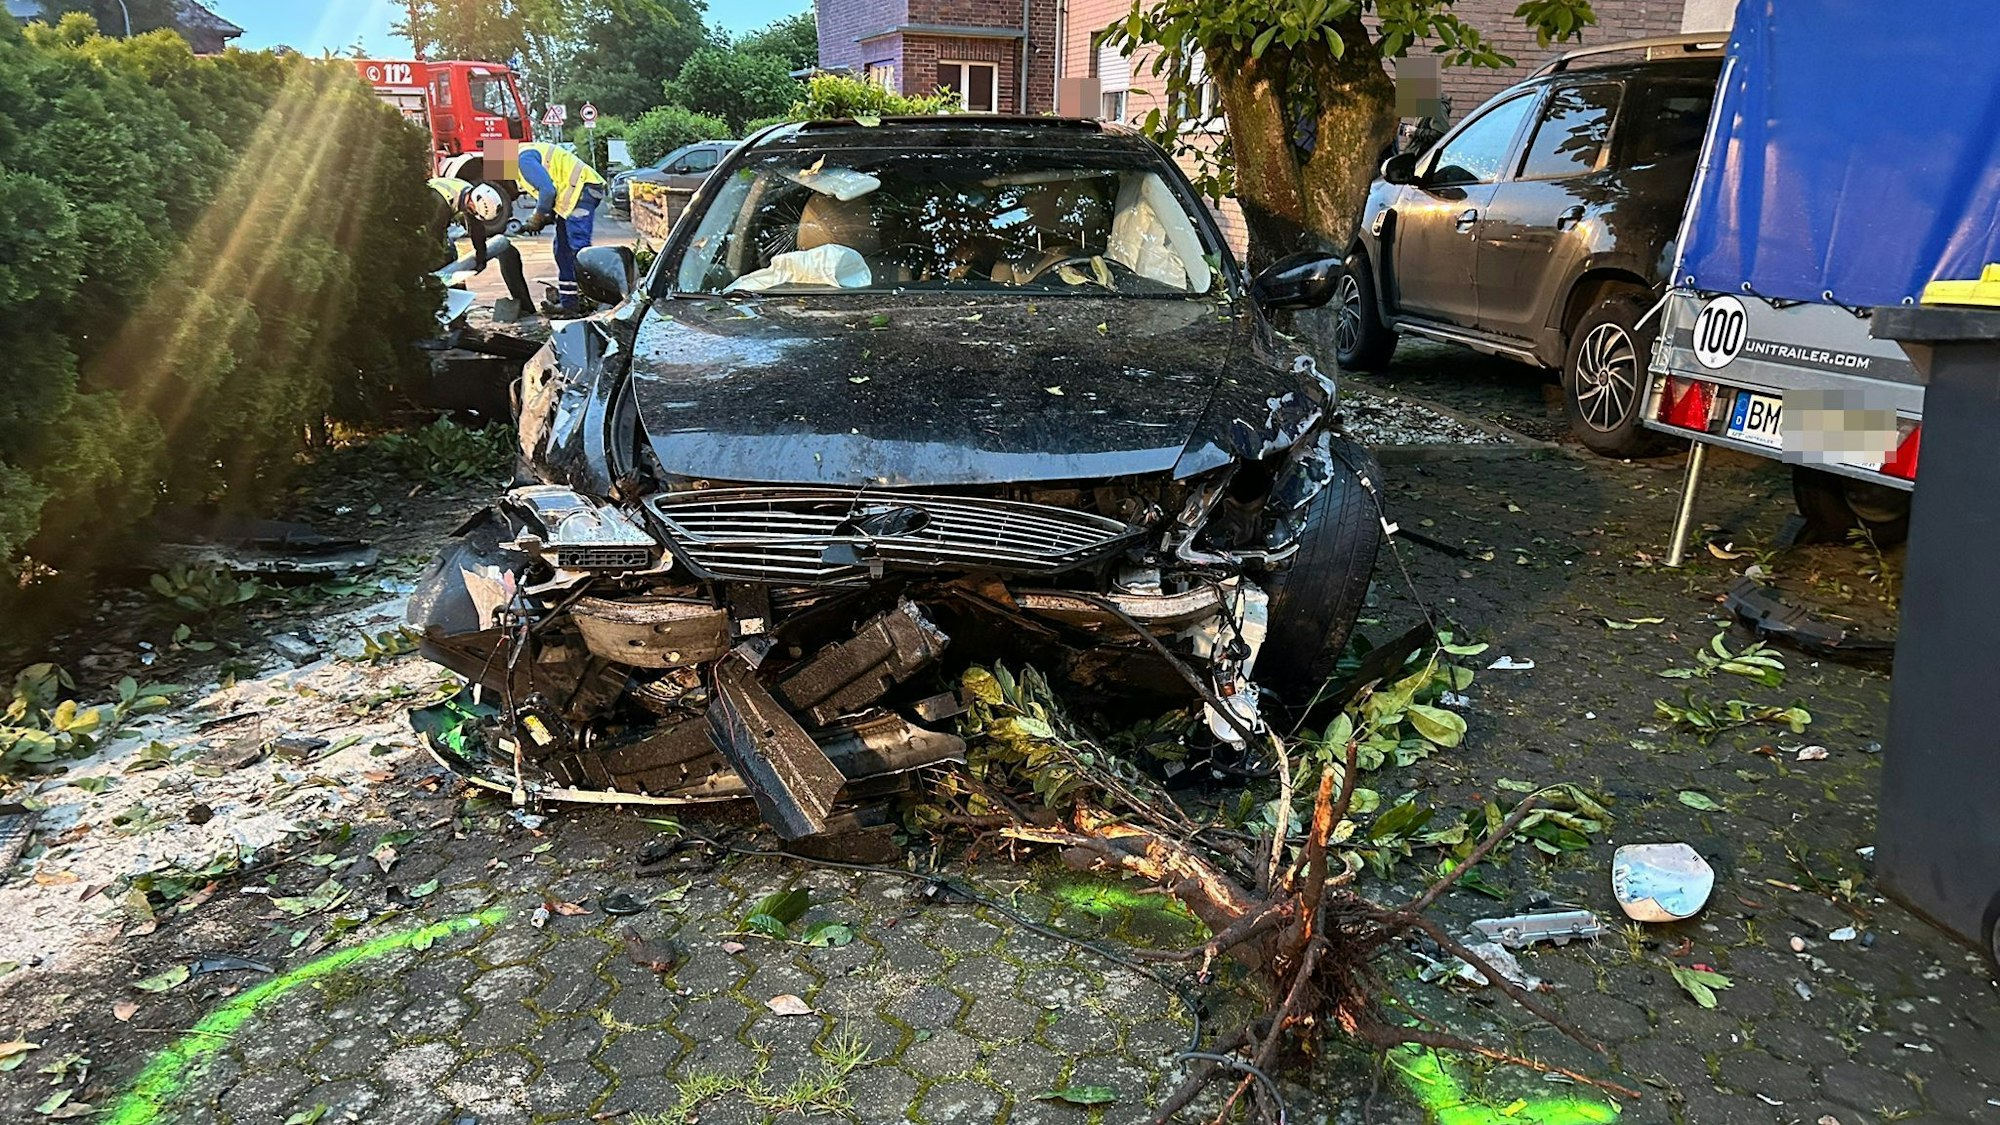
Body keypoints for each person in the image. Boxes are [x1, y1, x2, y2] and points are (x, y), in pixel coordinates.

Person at [507, 141, 607, 314]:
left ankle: (602, 298)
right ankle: (569, 305)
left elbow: (547, 191)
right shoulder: (522, 156)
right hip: (573, 197)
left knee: (579, 249)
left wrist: (537, 217)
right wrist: (547, 216)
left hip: (582, 191)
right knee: (562, 250)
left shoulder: (522, 160)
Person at [427, 175, 533, 316]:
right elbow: (431, 240)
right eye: (474, 211)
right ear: (472, 202)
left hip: (434, 226)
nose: (473, 213)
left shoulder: (468, 193)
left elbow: (476, 228)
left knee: (509, 251)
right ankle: (446, 316)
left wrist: (481, 256)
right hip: (422, 229)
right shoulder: (439, 204)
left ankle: (526, 307)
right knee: (445, 259)